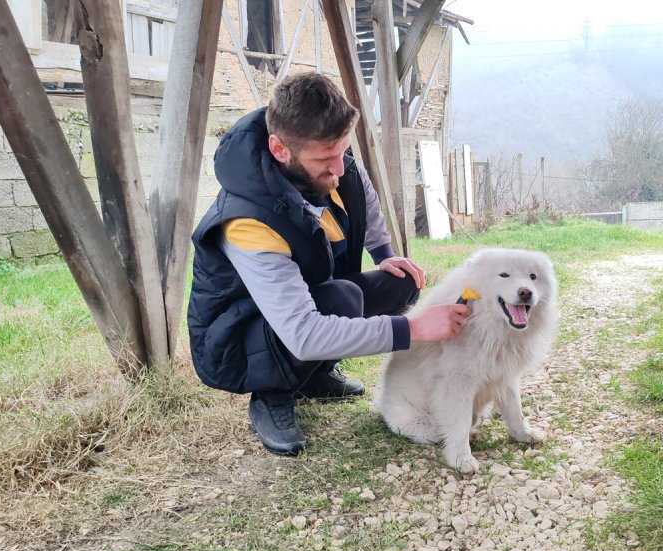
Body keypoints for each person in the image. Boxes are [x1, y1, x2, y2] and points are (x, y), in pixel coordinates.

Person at [187, 72, 471, 456]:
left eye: (343, 151)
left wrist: (385, 255)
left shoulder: (329, 157)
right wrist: (413, 328)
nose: (339, 168)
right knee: (341, 300)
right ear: (280, 149)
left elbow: (364, 197)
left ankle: (313, 375)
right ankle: (272, 395)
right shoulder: (246, 220)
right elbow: (304, 334)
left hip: (305, 306)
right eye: (326, 159)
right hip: (235, 342)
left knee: (401, 282)